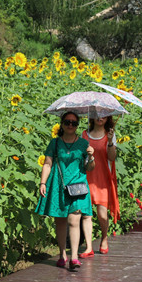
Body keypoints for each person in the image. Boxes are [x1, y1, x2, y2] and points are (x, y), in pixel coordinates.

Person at [36, 111, 95, 271]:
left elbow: (89, 168)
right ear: (62, 124)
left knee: (74, 220)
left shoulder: (84, 144)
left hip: (78, 186)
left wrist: (91, 157)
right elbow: (47, 163)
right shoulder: (55, 143)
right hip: (58, 185)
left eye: (74, 123)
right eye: (67, 122)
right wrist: (43, 183)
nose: (70, 125)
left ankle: (74, 257)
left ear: (77, 126)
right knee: (60, 221)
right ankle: (62, 254)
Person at [79, 115, 120, 258]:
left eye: (103, 115)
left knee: (102, 213)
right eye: (97, 114)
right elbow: (80, 156)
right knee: (86, 213)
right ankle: (89, 247)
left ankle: (104, 238)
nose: (99, 117)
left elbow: (112, 157)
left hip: (103, 178)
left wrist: (109, 142)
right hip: (86, 176)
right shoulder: (84, 135)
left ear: (108, 118)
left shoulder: (110, 135)